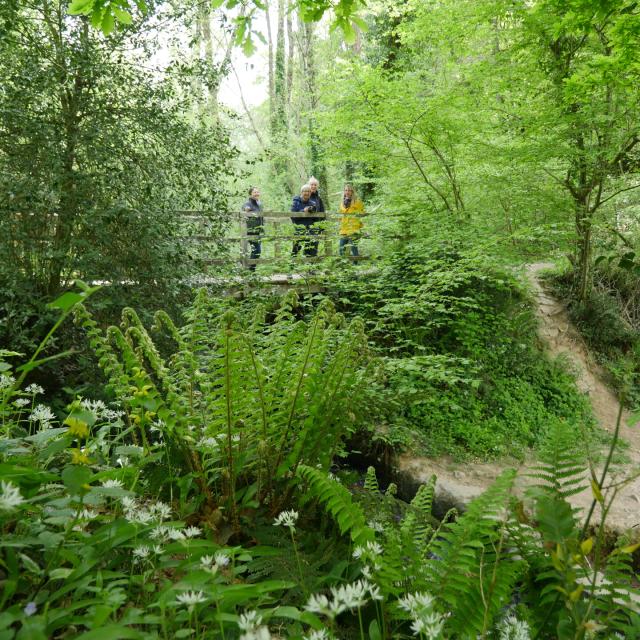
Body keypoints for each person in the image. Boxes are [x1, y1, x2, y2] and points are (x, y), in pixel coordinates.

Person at [290, 184, 317, 257]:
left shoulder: (312, 203)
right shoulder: (296, 202)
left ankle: (309, 267)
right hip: (299, 230)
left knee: (309, 251)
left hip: (309, 230)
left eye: (308, 191)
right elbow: (292, 216)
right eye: (305, 191)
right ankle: (292, 266)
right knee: (295, 251)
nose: (307, 193)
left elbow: (316, 218)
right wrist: (303, 211)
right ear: (301, 192)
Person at [338, 184, 365, 257]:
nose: (347, 192)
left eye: (349, 190)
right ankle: (343, 266)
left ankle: (356, 265)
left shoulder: (358, 202)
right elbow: (340, 216)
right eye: (346, 190)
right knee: (341, 248)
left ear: (352, 192)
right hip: (344, 229)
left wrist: (362, 227)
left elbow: (362, 215)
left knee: (354, 248)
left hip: (354, 229)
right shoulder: (342, 203)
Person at [241, 186, 264, 271]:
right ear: (250, 194)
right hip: (251, 230)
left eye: (258, 192)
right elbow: (244, 207)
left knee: (255, 251)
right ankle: (251, 270)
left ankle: (251, 269)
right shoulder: (248, 203)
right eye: (254, 192)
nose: (257, 193)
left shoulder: (259, 204)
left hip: (258, 230)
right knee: (257, 250)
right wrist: (246, 209)